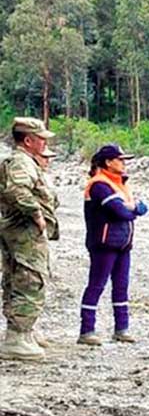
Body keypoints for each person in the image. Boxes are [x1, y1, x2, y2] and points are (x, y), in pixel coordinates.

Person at [0, 118, 60, 360]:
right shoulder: (22, 162)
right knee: (29, 279)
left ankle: (24, 332)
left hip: (22, 232)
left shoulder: (24, 161)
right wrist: (36, 213)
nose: (45, 142)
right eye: (41, 137)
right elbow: (16, 190)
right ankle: (17, 336)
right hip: (23, 232)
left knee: (21, 276)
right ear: (28, 140)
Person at [79, 144, 148, 345]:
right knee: (97, 285)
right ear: (108, 162)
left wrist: (132, 208)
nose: (124, 163)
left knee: (121, 286)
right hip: (103, 243)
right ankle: (86, 331)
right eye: (121, 160)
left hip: (122, 243)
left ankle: (122, 328)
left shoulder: (119, 184)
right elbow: (120, 211)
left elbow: (134, 209)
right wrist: (135, 208)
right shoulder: (99, 185)